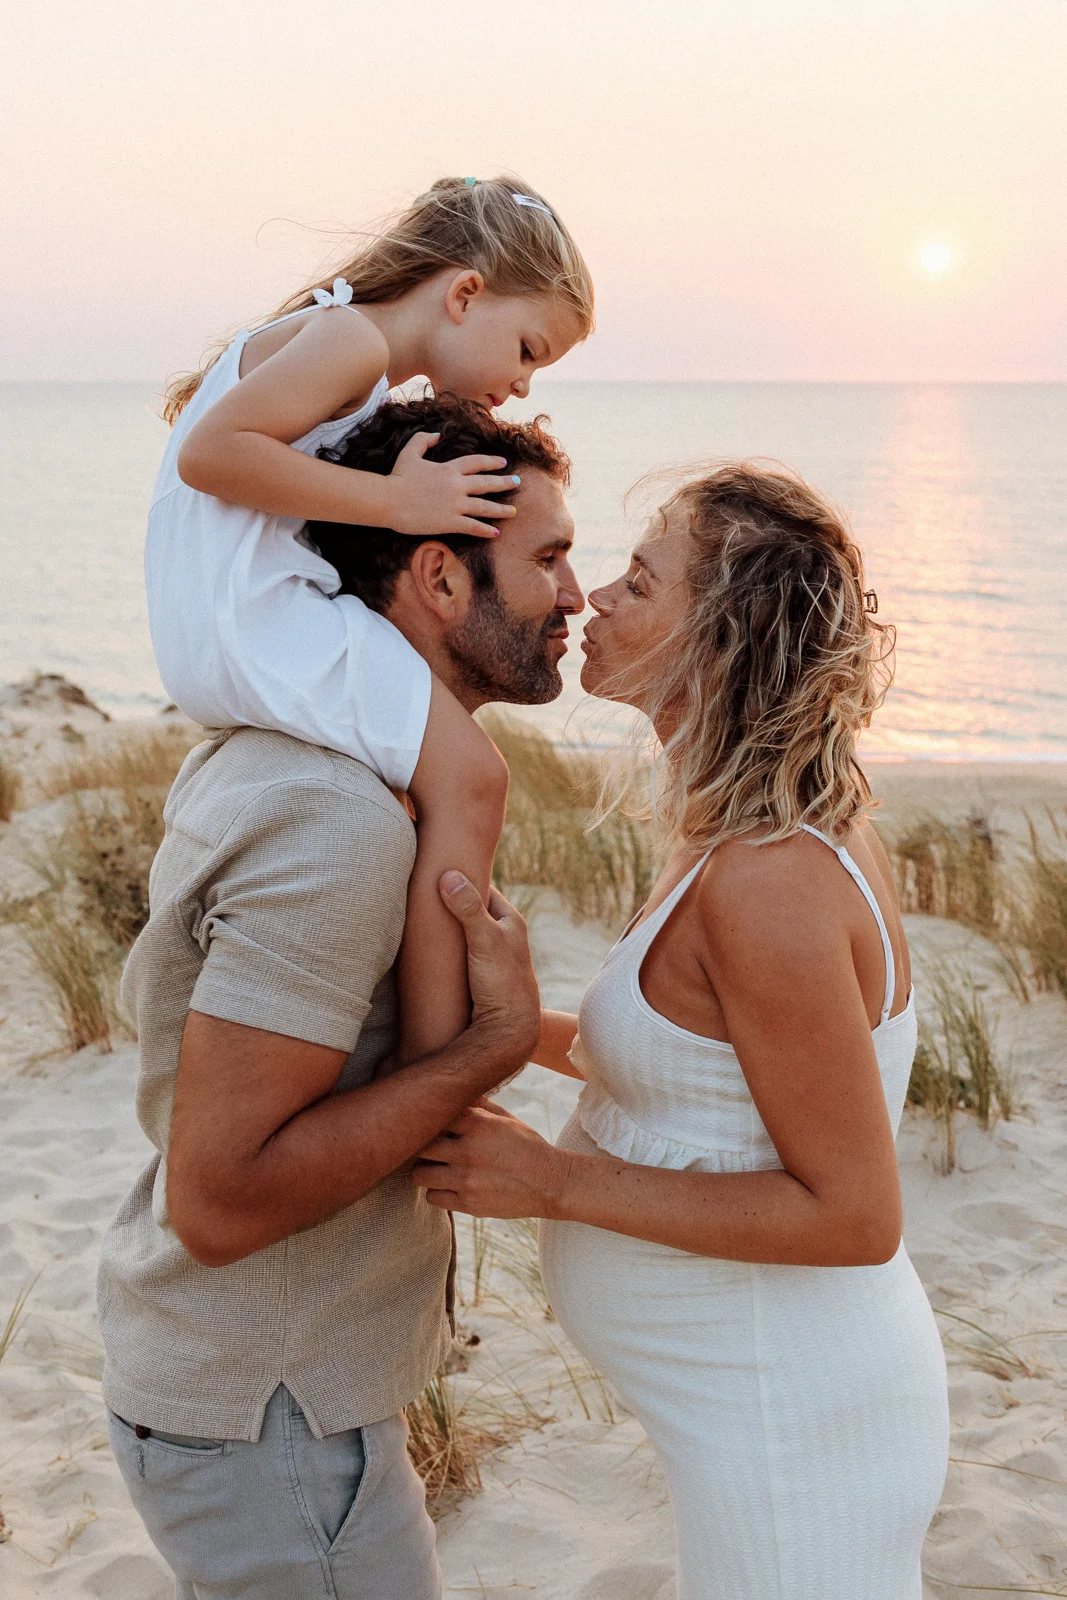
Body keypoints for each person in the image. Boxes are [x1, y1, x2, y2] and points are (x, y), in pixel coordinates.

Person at [412, 463, 951, 1600]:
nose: (590, 598)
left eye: (639, 583)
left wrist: (551, 1184)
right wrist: (516, 1026)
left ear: (720, 639)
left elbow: (852, 1212)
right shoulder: (741, 827)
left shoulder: (770, 880)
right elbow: (709, 1078)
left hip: (791, 1425)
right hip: (761, 1411)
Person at [98, 398, 583, 1600]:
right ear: (437, 574)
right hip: (272, 1421)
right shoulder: (337, 820)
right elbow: (218, 1199)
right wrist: (493, 1047)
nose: (576, 594)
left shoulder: (325, 764)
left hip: (289, 1405)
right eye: (547, 558)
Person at [150, 174, 593, 1061]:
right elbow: (210, 456)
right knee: (473, 780)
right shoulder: (350, 337)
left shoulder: (340, 338)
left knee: (417, 788)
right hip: (262, 624)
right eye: (528, 347)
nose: (521, 379)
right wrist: (396, 503)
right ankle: (441, 1056)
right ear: (465, 293)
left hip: (221, 635)